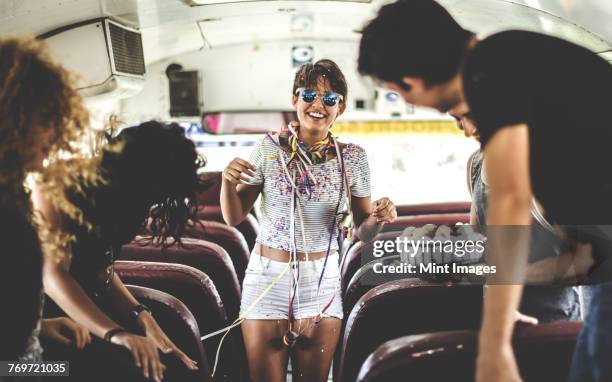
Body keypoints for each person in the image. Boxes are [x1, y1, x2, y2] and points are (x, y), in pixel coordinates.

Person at [358, 1, 612, 381]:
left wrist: (495, 347)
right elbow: (586, 257)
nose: (408, 102)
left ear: (412, 78)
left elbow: (509, 199)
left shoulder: (494, 65)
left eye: (397, 91)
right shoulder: (513, 72)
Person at [220, 59, 397, 382]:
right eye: (309, 95)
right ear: (294, 101)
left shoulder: (353, 158)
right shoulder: (268, 149)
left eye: (329, 99)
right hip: (266, 278)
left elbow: (364, 232)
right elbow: (233, 217)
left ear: (340, 107)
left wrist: (378, 219)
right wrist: (227, 182)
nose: (318, 105)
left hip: (322, 282)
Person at [38, 121, 205, 381]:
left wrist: (143, 318)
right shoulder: (56, 184)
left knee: (171, 357)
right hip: (33, 340)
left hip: (78, 311)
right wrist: (117, 334)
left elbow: (100, 273)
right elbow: (54, 276)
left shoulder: (121, 199)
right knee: (124, 370)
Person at [0, 36, 93, 366]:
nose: (57, 135)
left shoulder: (14, 195)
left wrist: (37, 329)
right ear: (13, 118)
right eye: (47, 120)